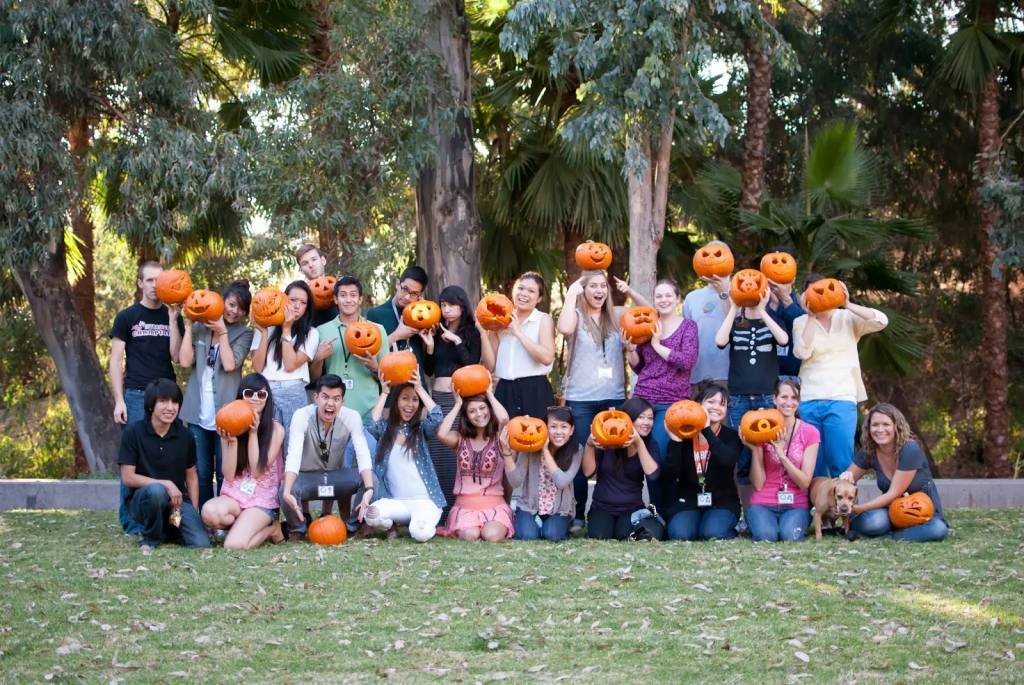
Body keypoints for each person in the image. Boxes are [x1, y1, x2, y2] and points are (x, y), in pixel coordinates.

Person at [557, 270, 648, 530]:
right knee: (580, 454)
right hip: (581, 398)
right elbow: (563, 329)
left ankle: (615, 508)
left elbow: (650, 312)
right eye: (593, 286)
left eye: (603, 286)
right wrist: (572, 293)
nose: (599, 291)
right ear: (584, 290)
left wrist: (628, 291)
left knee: (615, 457)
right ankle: (577, 514)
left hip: (614, 397)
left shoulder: (617, 315)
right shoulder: (574, 316)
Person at [110, 260, 185, 534]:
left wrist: (174, 319)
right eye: (150, 280)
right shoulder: (127, 317)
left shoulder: (172, 316)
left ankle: (164, 515)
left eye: (159, 280)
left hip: (166, 397)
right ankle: (129, 520)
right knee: (132, 458)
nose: (155, 285)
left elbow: (177, 357)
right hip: (135, 395)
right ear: (140, 283)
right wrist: (119, 399)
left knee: (166, 457)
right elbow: (116, 360)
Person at [792, 275, 888, 477]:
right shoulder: (800, 322)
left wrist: (848, 304)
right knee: (813, 461)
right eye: (812, 292)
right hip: (809, 397)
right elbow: (802, 352)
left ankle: (844, 506)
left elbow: (881, 321)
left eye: (824, 290)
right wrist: (811, 316)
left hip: (842, 397)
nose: (820, 295)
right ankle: (815, 507)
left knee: (841, 459)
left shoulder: (847, 318)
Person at [178, 280, 255, 510]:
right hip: (197, 413)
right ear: (222, 301)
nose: (234, 311)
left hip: (226, 415)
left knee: (225, 471)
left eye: (241, 308)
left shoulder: (244, 333)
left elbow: (231, 364)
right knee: (201, 472)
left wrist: (222, 333)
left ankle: (222, 518)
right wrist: (189, 326)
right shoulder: (201, 327)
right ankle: (203, 519)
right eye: (231, 304)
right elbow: (184, 361)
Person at [118, 378, 210, 552]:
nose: (170, 407)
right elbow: (128, 478)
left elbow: (191, 476)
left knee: (201, 543)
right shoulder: (133, 433)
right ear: (151, 405)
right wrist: (166, 484)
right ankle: (151, 538)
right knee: (157, 491)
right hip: (144, 501)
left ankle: (169, 529)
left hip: (176, 503)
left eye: (175, 402)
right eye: (163, 401)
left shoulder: (185, 436)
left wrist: (193, 510)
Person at [280, 374, 373, 538]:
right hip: (307, 479)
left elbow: (363, 453)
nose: (330, 403)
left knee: (372, 481)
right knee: (284, 489)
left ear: (342, 401)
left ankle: (353, 526)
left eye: (336, 398)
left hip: (336, 478)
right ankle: (298, 529)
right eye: (325, 397)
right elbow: (293, 454)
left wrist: (369, 489)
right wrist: (287, 491)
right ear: (316, 398)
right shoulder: (301, 416)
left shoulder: (352, 417)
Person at [201, 374, 286, 549]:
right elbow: (229, 475)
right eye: (249, 393)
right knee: (209, 512)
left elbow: (256, 471)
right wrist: (231, 441)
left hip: (261, 500)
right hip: (235, 495)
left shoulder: (276, 430)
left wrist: (253, 434)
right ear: (241, 396)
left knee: (233, 545)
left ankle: (272, 529)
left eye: (261, 395)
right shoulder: (230, 423)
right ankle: (242, 524)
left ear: (267, 399)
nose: (255, 398)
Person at [841, 403, 948, 542]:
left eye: (886, 424)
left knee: (938, 529)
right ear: (868, 428)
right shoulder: (869, 450)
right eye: (875, 425)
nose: (880, 429)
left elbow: (893, 493)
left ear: (896, 426)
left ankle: (890, 537)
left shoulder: (910, 449)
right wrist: (845, 479)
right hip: (891, 510)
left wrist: (861, 508)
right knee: (872, 522)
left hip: (921, 512)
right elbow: (845, 481)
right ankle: (899, 532)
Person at [715, 289, 790, 482]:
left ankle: (767, 495)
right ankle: (746, 506)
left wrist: (763, 309)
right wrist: (734, 307)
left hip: (766, 395)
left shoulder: (771, 321)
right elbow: (720, 341)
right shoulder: (735, 323)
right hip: (738, 397)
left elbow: (783, 339)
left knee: (769, 448)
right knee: (742, 453)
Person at [363, 370, 447, 542]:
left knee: (419, 534)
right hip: (397, 503)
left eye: (414, 400)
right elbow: (371, 423)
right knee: (371, 514)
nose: (410, 405)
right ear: (396, 402)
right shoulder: (386, 429)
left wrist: (420, 389)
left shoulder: (422, 429)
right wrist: (385, 392)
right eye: (405, 398)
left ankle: (418, 524)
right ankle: (391, 525)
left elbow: (438, 416)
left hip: (424, 502)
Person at [423, 285, 483, 513]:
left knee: (455, 452)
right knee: (436, 451)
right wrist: (429, 347)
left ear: (462, 306)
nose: (446, 310)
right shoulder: (436, 333)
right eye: (443, 305)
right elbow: (430, 370)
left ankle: (457, 509)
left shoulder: (471, 332)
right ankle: (438, 510)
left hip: (460, 399)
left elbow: (471, 365)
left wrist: (457, 341)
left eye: (452, 305)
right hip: (438, 397)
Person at [659, 383, 743, 541]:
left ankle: (724, 527)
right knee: (680, 535)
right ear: (698, 405)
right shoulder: (684, 435)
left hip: (722, 501)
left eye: (722, 404)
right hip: (689, 500)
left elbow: (727, 460)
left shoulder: (731, 436)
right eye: (711, 402)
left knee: (712, 533)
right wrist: (676, 441)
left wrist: (706, 430)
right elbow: (670, 475)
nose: (717, 407)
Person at [628, 277, 699, 462]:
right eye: (659, 296)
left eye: (668, 295)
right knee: (633, 453)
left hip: (672, 401)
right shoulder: (647, 325)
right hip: (643, 397)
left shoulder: (688, 327)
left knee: (658, 452)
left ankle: (663, 492)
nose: (663, 300)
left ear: (678, 299)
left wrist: (657, 345)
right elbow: (639, 367)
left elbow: (687, 361)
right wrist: (629, 349)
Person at [745, 379, 819, 542]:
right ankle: (756, 521)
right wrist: (755, 449)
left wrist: (782, 455)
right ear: (774, 399)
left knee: (789, 537)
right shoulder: (762, 428)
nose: (789, 402)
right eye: (784, 397)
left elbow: (805, 482)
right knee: (767, 536)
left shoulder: (810, 432)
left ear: (799, 402)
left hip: (795, 503)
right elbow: (758, 484)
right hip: (763, 501)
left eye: (794, 398)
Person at [436, 389, 513, 541]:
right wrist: (458, 404)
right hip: (465, 508)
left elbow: (504, 418)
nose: (479, 414)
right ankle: (467, 526)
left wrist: (489, 394)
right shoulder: (460, 439)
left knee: (491, 536)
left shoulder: (500, 438)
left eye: (482, 408)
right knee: (470, 535)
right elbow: (441, 434)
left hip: (495, 506)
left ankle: (497, 523)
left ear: (489, 409)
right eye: (472, 411)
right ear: (466, 416)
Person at [582, 397, 663, 540]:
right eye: (641, 417)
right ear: (627, 419)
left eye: (650, 418)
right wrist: (589, 445)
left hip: (632, 508)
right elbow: (588, 473)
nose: (647, 423)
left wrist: (638, 443)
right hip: (602, 507)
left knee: (623, 534)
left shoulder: (650, 444)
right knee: (600, 535)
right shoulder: (606, 438)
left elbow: (652, 475)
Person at [481, 272, 556, 421]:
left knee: (535, 439)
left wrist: (518, 333)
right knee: (504, 439)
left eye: (531, 291)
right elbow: (490, 366)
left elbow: (547, 358)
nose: (524, 294)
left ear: (539, 298)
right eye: (521, 288)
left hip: (535, 390)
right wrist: (485, 332)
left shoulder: (543, 319)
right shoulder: (499, 319)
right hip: (505, 390)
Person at [252, 280, 319, 445]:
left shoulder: (311, 333)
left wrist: (287, 329)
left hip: (294, 391)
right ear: (282, 300)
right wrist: (263, 333)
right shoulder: (266, 327)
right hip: (266, 391)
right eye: (293, 300)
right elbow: (257, 367)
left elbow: (290, 365)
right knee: (266, 445)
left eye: (303, 303)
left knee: (293, 446)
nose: (297, 306)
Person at [501, 406, 582, 541]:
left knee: (552, 535)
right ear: (545, 427)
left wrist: (545, 451)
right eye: (553, 427)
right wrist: (506, 453)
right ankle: (528, 523)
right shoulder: (530, 447)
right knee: (528, 536)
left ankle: (555, 525)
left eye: (564, 427)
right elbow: (516, 481)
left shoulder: (576, 450)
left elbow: (561, 482)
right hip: (529, 507)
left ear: (571, 430)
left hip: (559, 511)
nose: (558, 432)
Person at [311, 276, 387, 419]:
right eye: (343, 295)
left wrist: (375, 367)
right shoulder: (321, 331)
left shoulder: (377, 330)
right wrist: (318, 358)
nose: (348, 300)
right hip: (333, 412)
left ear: (360, 299)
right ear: (335, 299)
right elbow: (314, 378)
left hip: (369, 412)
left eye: (353, 295)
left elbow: (389, 378)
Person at [682, 241, 733, 394]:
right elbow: (686, 337)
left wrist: (723, 293)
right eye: (707, 254)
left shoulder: (742, 291)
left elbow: (737, 325)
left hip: (728, 373)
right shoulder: (692, 298)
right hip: (697, 375)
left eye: (719, 254)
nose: (712, 258)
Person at [366, 265, 430, 373]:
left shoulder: (424, 317)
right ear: (397, 284)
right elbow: (369, 355)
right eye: (405, 289)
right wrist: (397, 335)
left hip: (417, 385)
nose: (407, 297)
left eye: (414, 294)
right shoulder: (375, 314)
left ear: (420, 295)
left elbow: (429, 369)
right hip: (389, 383)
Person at [763, 247, 804, 380]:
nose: (778, 266)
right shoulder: (759, 301)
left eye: (784, 262)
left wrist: (786, 299)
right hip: (767, 375)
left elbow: (801, 326)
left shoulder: (801, 300)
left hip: (794, 375)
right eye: (773, 262)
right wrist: (773, 305)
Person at [295, 243, 339, 327]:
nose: (311, 265)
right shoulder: (298, 294)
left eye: (314, 259)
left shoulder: (339, 286)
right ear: (301, 269)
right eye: (305, 263)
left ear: (323, 260)